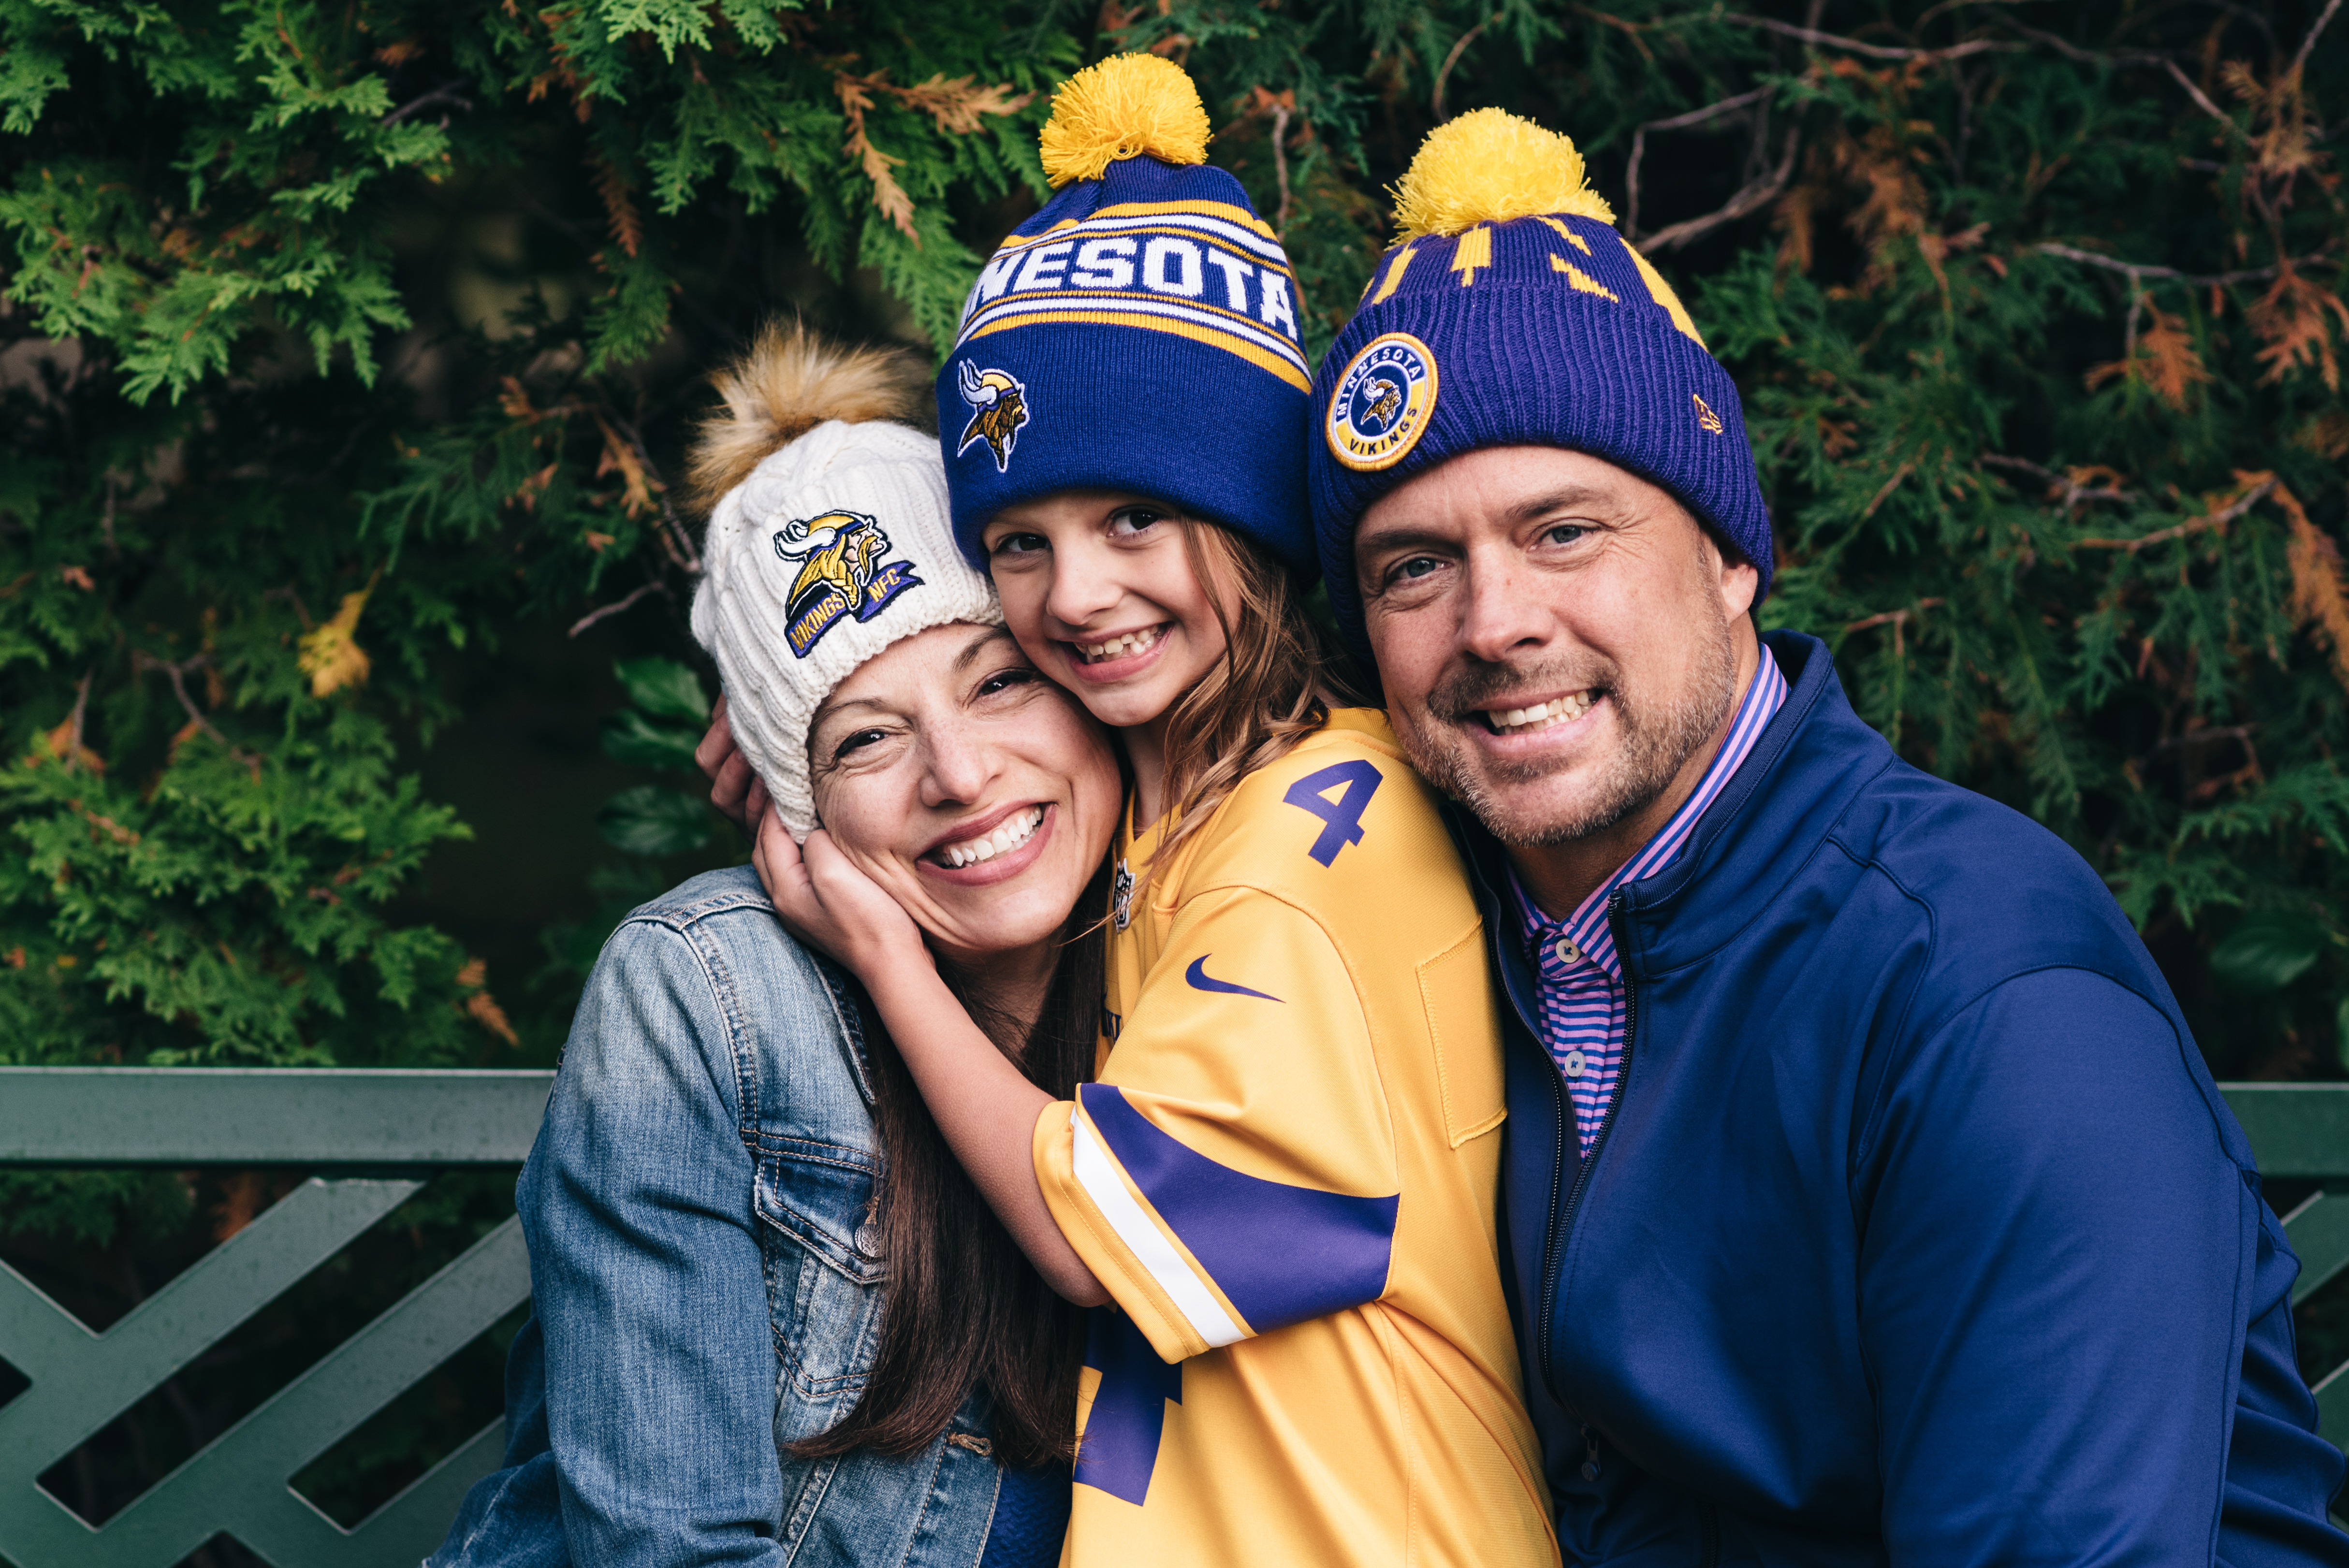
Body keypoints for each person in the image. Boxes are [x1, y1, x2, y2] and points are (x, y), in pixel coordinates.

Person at [1305, 107, 2349, 1565]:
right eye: (1414, 566)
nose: (1495, 625)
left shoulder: (1980, 993)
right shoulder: (1443, 930)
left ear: (1731, 557)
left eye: (1563, 532)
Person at [742, 54, 1558, 1568]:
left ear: (1247, 518)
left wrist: (887, 959)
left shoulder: (1315, 841)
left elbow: (1083, 1233)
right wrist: (802, 738)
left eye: (1136, 515)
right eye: (1022, 542)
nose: (1080, 592)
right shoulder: (1175, 815)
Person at [427, 323, 1123, 1568]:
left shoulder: (1215, 945)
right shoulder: (709, 995)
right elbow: (671, 1552)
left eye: (1000, 679)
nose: (959, 775)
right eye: (864, 740)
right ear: (792, 816)